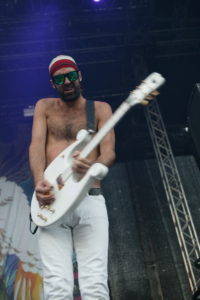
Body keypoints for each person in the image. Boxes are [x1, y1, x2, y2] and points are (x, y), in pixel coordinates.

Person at [29, 55, 116, 300]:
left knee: (95, 284)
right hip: (52, 201)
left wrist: (91, 167)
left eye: (70, 76)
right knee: (57, 286)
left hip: (89, 198)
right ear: (52, 83)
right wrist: (38, 182)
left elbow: (109, 153)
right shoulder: (43, 107)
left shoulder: (100, 109)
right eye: (60, 78)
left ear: (79, 76)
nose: (66, 82)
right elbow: (36, 146)